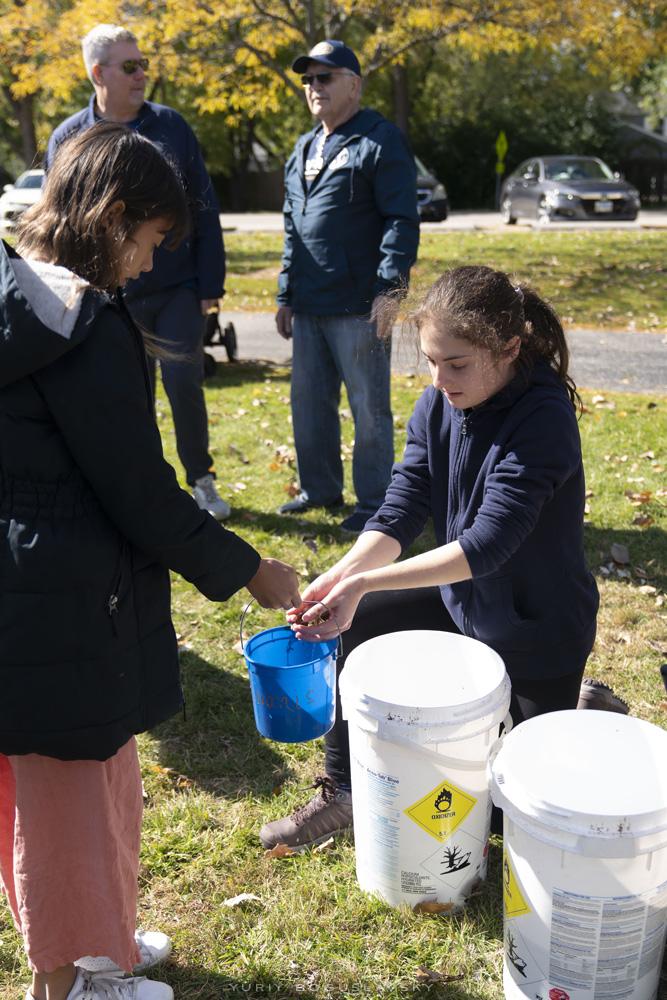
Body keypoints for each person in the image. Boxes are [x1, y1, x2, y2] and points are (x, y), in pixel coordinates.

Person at [0, 122, 301, 1000]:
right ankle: (71, 982)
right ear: (113, 215)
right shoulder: (83, 329)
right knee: (69, 812)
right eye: (152, 241)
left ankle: (100, 941)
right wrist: (252, 570)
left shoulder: (20, 297)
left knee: (75, 792)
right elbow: (140, 493)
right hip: (64, 603)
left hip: (31, 590)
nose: (148, 263)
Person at [259, 264, 602, 850]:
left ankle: (587, 711)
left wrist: (364, 581)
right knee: (356, 622)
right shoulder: (438, 403)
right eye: (430, 361)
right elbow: (399, 510)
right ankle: (342, 789)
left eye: (458, 363)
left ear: (509, 347)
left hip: (537, 628)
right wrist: (343, 578)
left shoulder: (543, 418)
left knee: (497, 820)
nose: (440, 379)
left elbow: (489, 543)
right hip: (461, 601)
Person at [44, 24, 230, 521]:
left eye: (143, 64)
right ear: (97, 72)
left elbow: (205, 208)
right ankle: (143, 485)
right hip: (103, 295)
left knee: (183, 381)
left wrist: (210, 287)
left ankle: (201, 479)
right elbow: (57, 220)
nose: (141, 74)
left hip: (176, 289)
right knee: (128, 390)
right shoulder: (68, 137)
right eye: (130, 66)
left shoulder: (171, 126)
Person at [275, 40, 420, 535]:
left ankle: (377, 504)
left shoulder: (381, 140)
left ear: (354, 85)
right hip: (309, 303)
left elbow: (402, 220)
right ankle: (320, 491)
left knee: (368, 407)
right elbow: (293, 226)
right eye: (308, 80)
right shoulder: (302, 147)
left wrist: (390, 289)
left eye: (326, 77)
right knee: (309, 405)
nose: (314, 87)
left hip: (360, 303)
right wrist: (284, 293)